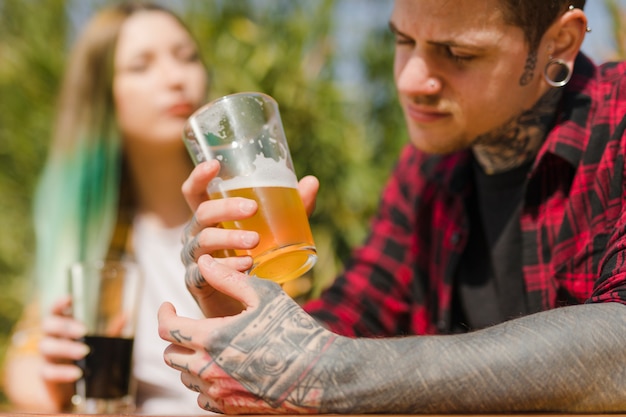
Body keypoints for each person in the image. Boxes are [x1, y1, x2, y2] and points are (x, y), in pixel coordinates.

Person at [159, 0, 626, 414]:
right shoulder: (427, 170)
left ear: (558, 43)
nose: (409, 80)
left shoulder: (618, 122)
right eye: (403, 40)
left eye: (459, 54)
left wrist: (327, 374)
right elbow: (353, 315)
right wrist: (248, 311)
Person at [3, 2, 209, 414]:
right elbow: (24, 362)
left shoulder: (247, 212)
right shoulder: (97, 232)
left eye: (187, 57)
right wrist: (52, 366)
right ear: (102, 96)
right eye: (141, 65)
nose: (176, 78)